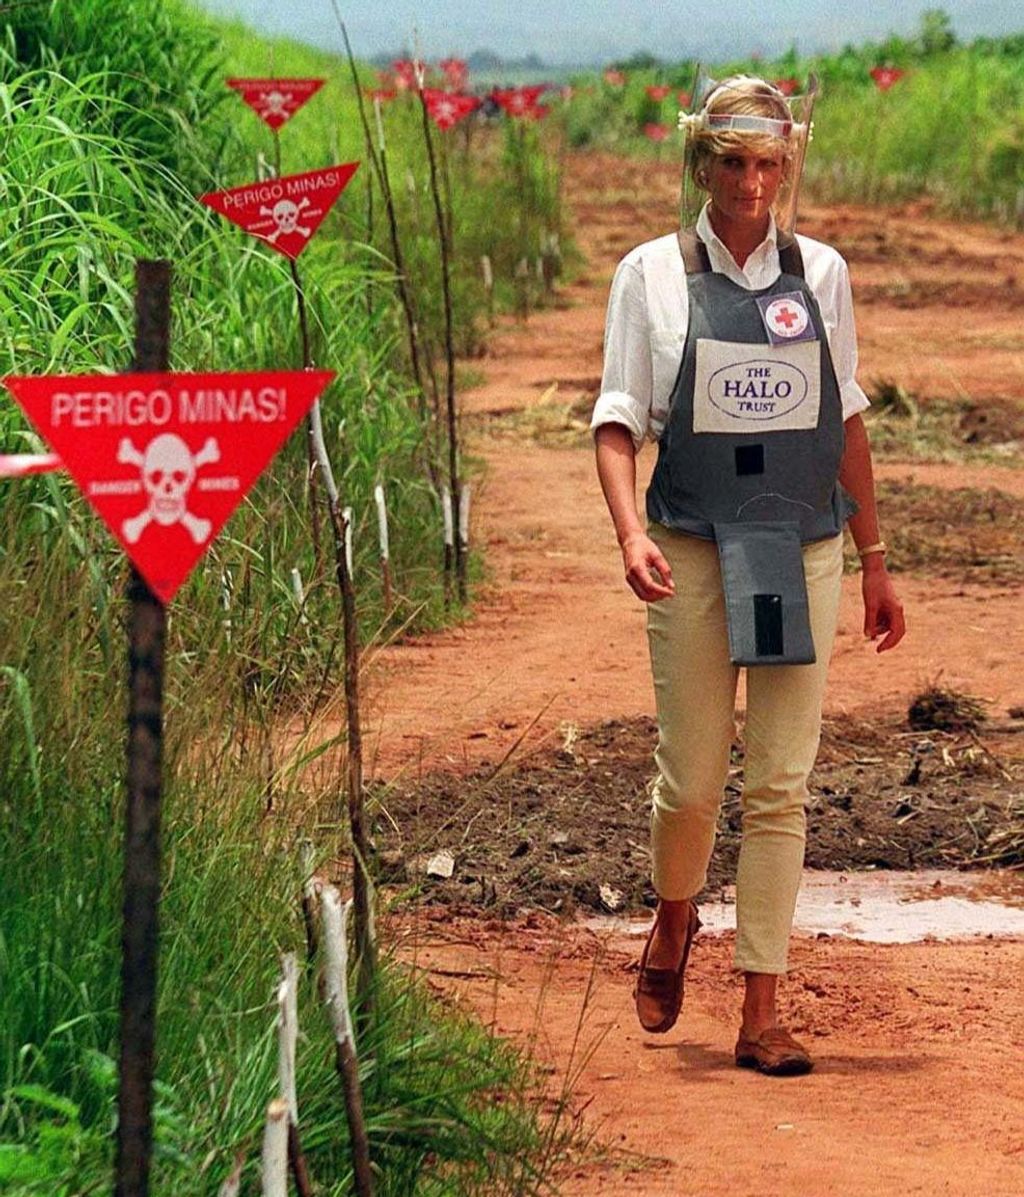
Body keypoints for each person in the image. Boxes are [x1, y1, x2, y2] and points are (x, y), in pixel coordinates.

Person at [592, 74, 905, 1076]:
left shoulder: (821, 275)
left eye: (769, 163)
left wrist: (873, 558)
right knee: (690, 783)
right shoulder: (648, 274)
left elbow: (843, 420)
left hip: (797, 548)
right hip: (688, 544)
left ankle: (762, 1006)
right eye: (732, 162)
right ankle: (675, 915)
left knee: (779, 783)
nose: (751, 183)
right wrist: (627, 532)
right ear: (700, 163)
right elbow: (615, 422)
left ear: (787, 167)